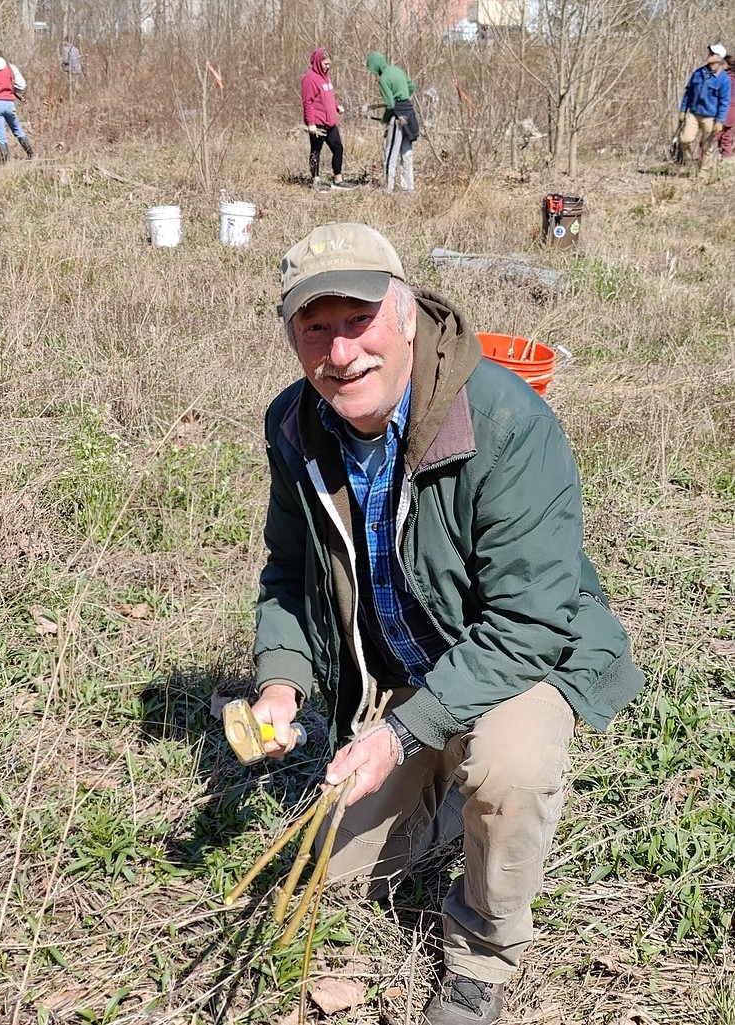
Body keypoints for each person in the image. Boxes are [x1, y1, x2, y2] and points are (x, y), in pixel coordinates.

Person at [249, 222, 645, 1024]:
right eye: (314, 327)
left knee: (511, 764)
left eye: (356, 320)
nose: (340, 351)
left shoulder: (505, 422)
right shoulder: (295, 425)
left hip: (519, 658)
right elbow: (287, 574)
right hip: (398, 671)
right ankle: (434, 786)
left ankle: (483, 958)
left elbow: (529, 622)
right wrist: (282, 685)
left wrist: (400, 734)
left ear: (405, 315)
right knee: (340, 875)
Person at [365, 51, 419, 193]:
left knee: (391, 153)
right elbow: (412, 86)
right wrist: (402, 96)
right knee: (406, 153)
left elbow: (390, 105)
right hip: (409, 112)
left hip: (398, 117)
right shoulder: (396, 70)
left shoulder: (383, 79)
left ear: (376, 67)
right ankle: (409, 189)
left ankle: (389, 190)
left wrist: (385, 119)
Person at [301, 48, 352, 192]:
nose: (328, 67)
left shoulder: (326, 77)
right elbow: (308, 102)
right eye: (325, 64)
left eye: (329, 64)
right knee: (316, 151)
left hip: (331, 122)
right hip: (318, 122)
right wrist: (310, 124)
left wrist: (337, 106)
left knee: (338, 148)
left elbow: (328, 98)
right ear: (318, 62)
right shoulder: (309, 79)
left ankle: (338, 179)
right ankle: (316, 181)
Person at [678, 43, 731, 168]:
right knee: (685, 139)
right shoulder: (698, 73)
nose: (709, 56)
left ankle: (704, 173)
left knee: (707, 146)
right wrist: (683, 110)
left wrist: (720, 121)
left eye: (713, 54)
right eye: (710, 53)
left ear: (719, 59)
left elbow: (724, 102)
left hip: (710, 117)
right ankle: (690, 165)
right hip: (694, 114)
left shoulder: (723, 79)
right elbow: (688, 93)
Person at [714, 54, 735, 158]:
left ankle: (701, 159)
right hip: (732, 112)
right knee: (727, 137)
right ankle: (726, 158)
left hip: (724, 111)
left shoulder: (725, 78)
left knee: (712, 136)